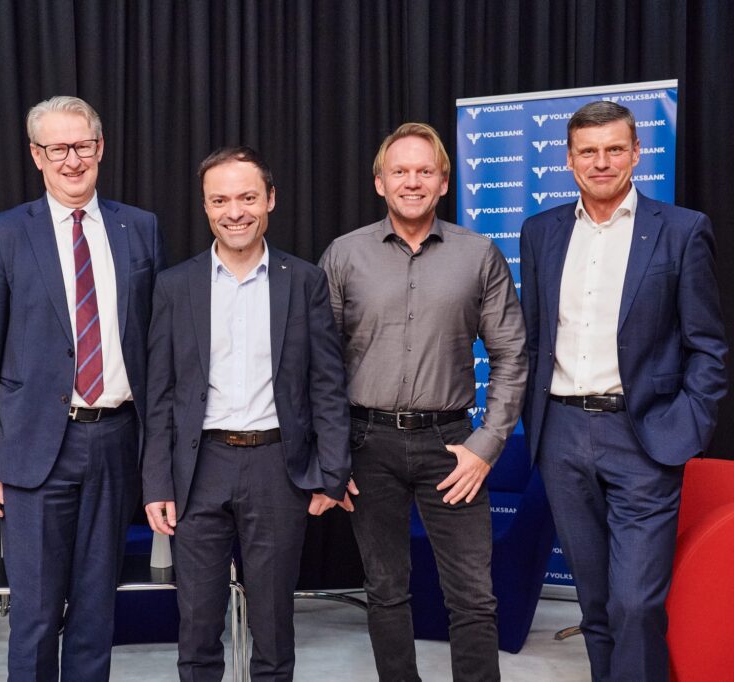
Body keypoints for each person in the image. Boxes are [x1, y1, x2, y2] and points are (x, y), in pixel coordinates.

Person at [520, 100, 727, 681]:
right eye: (588, 151)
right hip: (562, 434)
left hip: (645, 436)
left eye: (615, 149)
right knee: (596, 603)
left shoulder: (682, 229)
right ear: (569, 160)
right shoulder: (540, 232)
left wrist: (687, 423)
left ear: (637, 153)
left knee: (635, 603)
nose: (602, 162)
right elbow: (534, 338)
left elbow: (707, 345)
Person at [0, 95, 166, 681]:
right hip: (34, 447)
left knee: (98, 609)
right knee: (35, 613)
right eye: (58, 149)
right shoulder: (2, 234)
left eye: (82, 146)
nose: (72, 160)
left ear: (100, 148)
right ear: (37, 155)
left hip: (116, 441)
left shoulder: (140, 228)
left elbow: (157, 342)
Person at [320, 122, 527, 681]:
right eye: (400, 171)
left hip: (453, 447)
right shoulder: (344, 255)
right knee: (385, 590)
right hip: (367, 445)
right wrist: (332, 454)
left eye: (424, 171)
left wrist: (485, 446)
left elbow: (512, 355)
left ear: (443, 182)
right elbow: (320, 365)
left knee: (473, 596)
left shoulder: (478, 255)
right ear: (379, 182)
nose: (412, 182)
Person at [142, 146, 351, 681]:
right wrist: (156, 483)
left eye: (247, 197)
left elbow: (327, 386)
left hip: (277, 469)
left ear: (271, 199)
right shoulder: (174, 285)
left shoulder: (303, 281)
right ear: (205, 206)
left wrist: (332, 472)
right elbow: (160, 394)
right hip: (198, 469)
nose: (234, 212)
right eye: (220, 200)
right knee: (196, 626)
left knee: (274, 626)